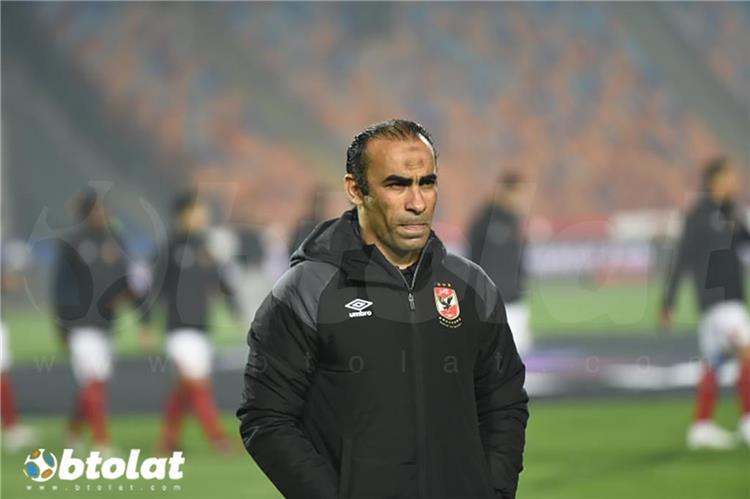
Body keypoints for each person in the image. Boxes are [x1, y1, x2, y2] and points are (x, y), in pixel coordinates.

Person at [237, 119, 528, 499]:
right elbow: (267, 417)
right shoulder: (307, 290)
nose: (417, 202)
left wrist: (495, 490)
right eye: (397, 184)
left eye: (427, 182)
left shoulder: (472, 286)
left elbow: (504, 402)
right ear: (356, 190)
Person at [660, 156, 750, 449]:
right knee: (747, 352)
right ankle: (748, 422)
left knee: (713, 363)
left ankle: (701, 426)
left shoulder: (732, 212)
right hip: (719, 300)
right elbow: (681, 258)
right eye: (730, 177)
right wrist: (668, 302)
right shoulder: (699, 215)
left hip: (726, 301)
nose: (735, 182)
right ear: (715, 180)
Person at [51, 188, 149, 453]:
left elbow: (129, 281)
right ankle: (101, 442)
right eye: (97, 208)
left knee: (95, 382)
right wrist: (63, 329)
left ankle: (73, 430)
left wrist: (144, 320)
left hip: (106, 324)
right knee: (94, 380)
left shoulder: (115, 240)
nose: (103, 213)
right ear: (86, 212)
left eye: (105, 208)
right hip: (80, 325)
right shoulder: (72, 243)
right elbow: (60, 289)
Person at [146, 191, 235, 455]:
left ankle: (167, 442)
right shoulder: (170, 247)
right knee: (198, 385)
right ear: (184, 214)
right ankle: (218, 440)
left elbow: (221, 283)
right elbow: (154, 289)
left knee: (185, 389)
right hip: (178, 328)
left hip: (201, 326)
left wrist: (234, 308)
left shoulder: (206, 246)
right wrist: (146, 325)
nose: (203, 216)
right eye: (198, 211)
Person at [468, 171, 531, 356]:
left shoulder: (513, 221)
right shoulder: (487, 221)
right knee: (496, 355)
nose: (522, 199)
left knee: (516, 353)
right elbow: (479, 263)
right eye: (518, 193)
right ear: (505, 192)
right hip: (494, 302)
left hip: (513, 300)